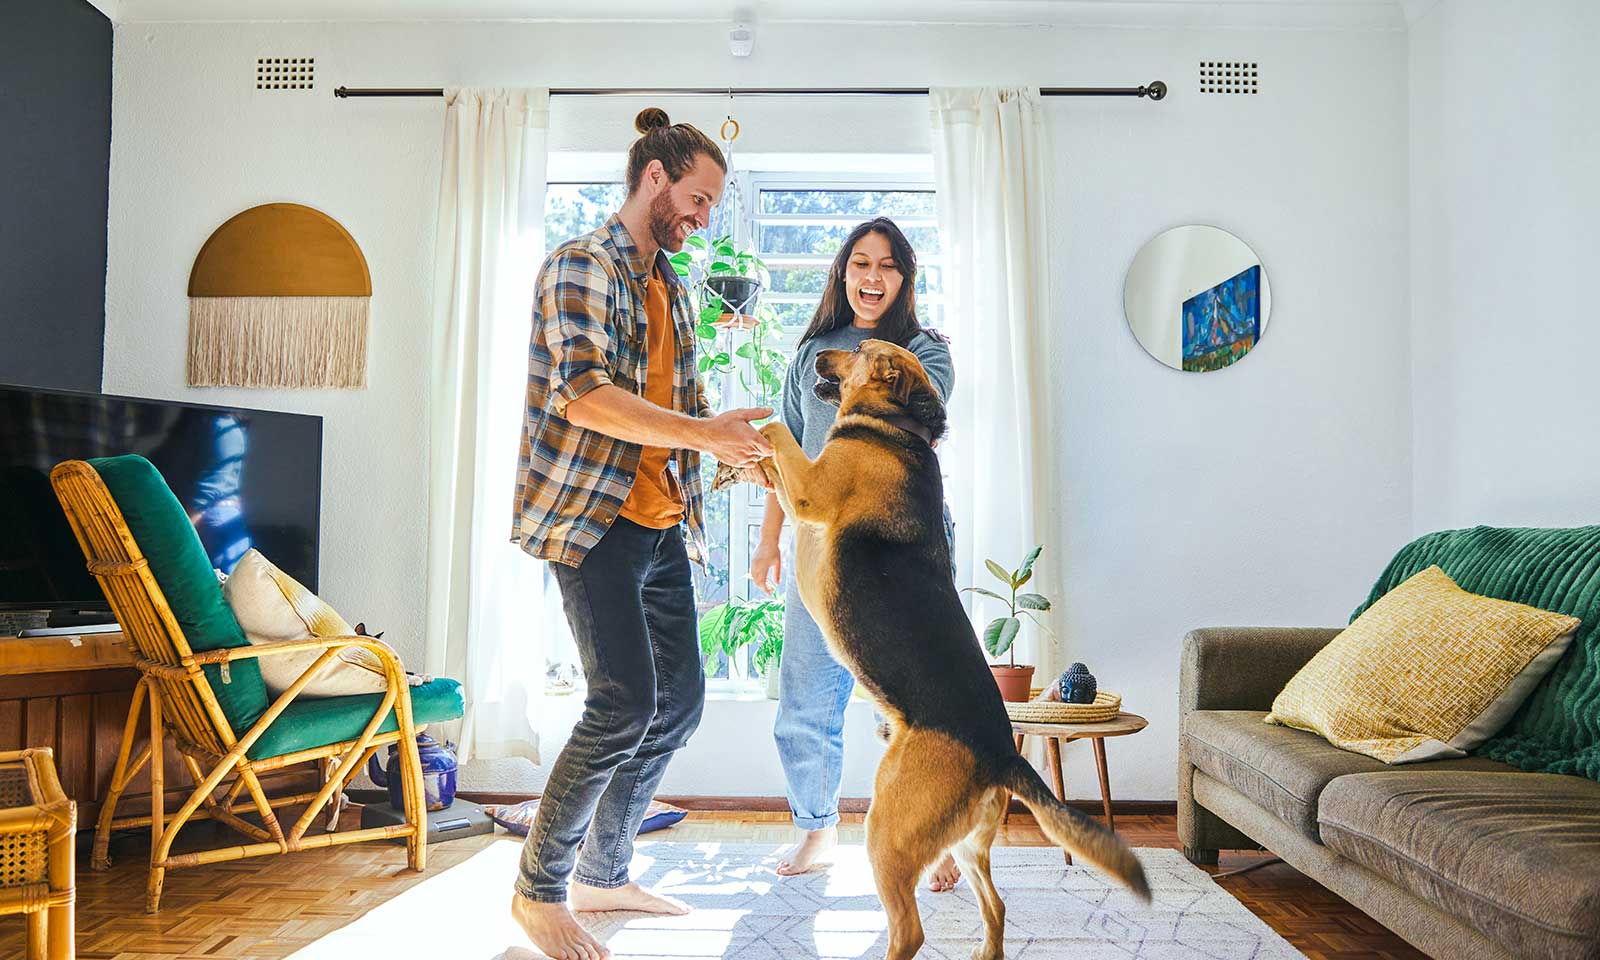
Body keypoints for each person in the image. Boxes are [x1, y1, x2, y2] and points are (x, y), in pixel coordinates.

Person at [508, 107, 774, 960]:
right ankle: (538, 889)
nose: (702, 220)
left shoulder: (675, 289)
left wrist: (735, 452)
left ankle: (604, 869)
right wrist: (702, 433)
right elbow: (583, 395)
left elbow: (680, 418)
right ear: (653, 178)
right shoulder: (580, 266)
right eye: (696, 201)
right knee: (621, 700)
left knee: (679, 702)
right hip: (593, 521)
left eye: (710, 208)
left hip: (660, 525)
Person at [749, 217, 963, 891]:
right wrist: (766, 540)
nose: (872, 278)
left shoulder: (926, 352)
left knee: (909, 701)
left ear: (904, 278)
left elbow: (910, 428)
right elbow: (783, 449)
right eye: (860, 264)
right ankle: (817, 829)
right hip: (820, 551)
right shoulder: (813, 348)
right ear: (843, 273)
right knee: (807, 697)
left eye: (887, 266)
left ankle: (933, 832)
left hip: (899, 550)